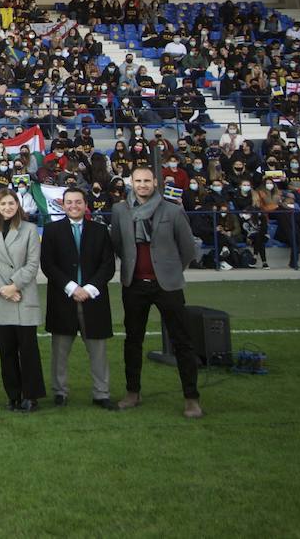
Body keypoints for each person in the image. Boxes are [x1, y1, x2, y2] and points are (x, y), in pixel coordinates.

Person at [110, 166, 203, 418]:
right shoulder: (120, 210)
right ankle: (132, 392)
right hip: (134, 284)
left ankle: (191, 398)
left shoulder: (172, 210)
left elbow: (187, 248)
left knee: (181, 341)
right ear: (131, 183)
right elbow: (117, 243)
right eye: (138, 180)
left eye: (147, 180)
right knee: (133, 340)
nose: (142, 185)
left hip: (167, 285)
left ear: (155, 183)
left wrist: (170, 269)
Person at [41, 186, 116, 411]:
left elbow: (108, 265)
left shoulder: (100, 231)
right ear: (63, 205)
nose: (74, 206)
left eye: (78, 202)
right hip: (63, 298)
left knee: (98, 350)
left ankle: (101, 393)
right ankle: (60, 392)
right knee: (60, 351)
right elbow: (48, 265)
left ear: (85, 205)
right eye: (69, 202)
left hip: (93, 299)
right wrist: (72, 287)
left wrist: (89, 289)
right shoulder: (52, 230)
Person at [0, 188, 47, 412]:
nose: (7, 207)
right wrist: (3, 289)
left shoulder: (29, 229)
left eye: (11, 203)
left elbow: (32, 264)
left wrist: (14, 286)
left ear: (18, 205)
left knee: (28, 350)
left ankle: (31, 396)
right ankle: (13, 395)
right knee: (6, 351)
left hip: (23, 295)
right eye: (3, 204)